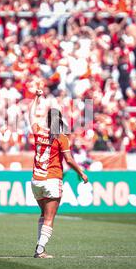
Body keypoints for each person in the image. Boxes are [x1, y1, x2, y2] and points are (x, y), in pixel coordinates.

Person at [29, 89, 88, 258]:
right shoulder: (62, 138)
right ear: (60, 121)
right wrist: (81, 172)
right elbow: (69, 160)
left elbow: (31, 115)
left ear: (48, 120)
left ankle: (40, 248)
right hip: (52, 180)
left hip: (36, 181)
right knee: (50, 217)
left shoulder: (39, 131)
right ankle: (40, 249)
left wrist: (37, 98)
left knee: (43, 214)